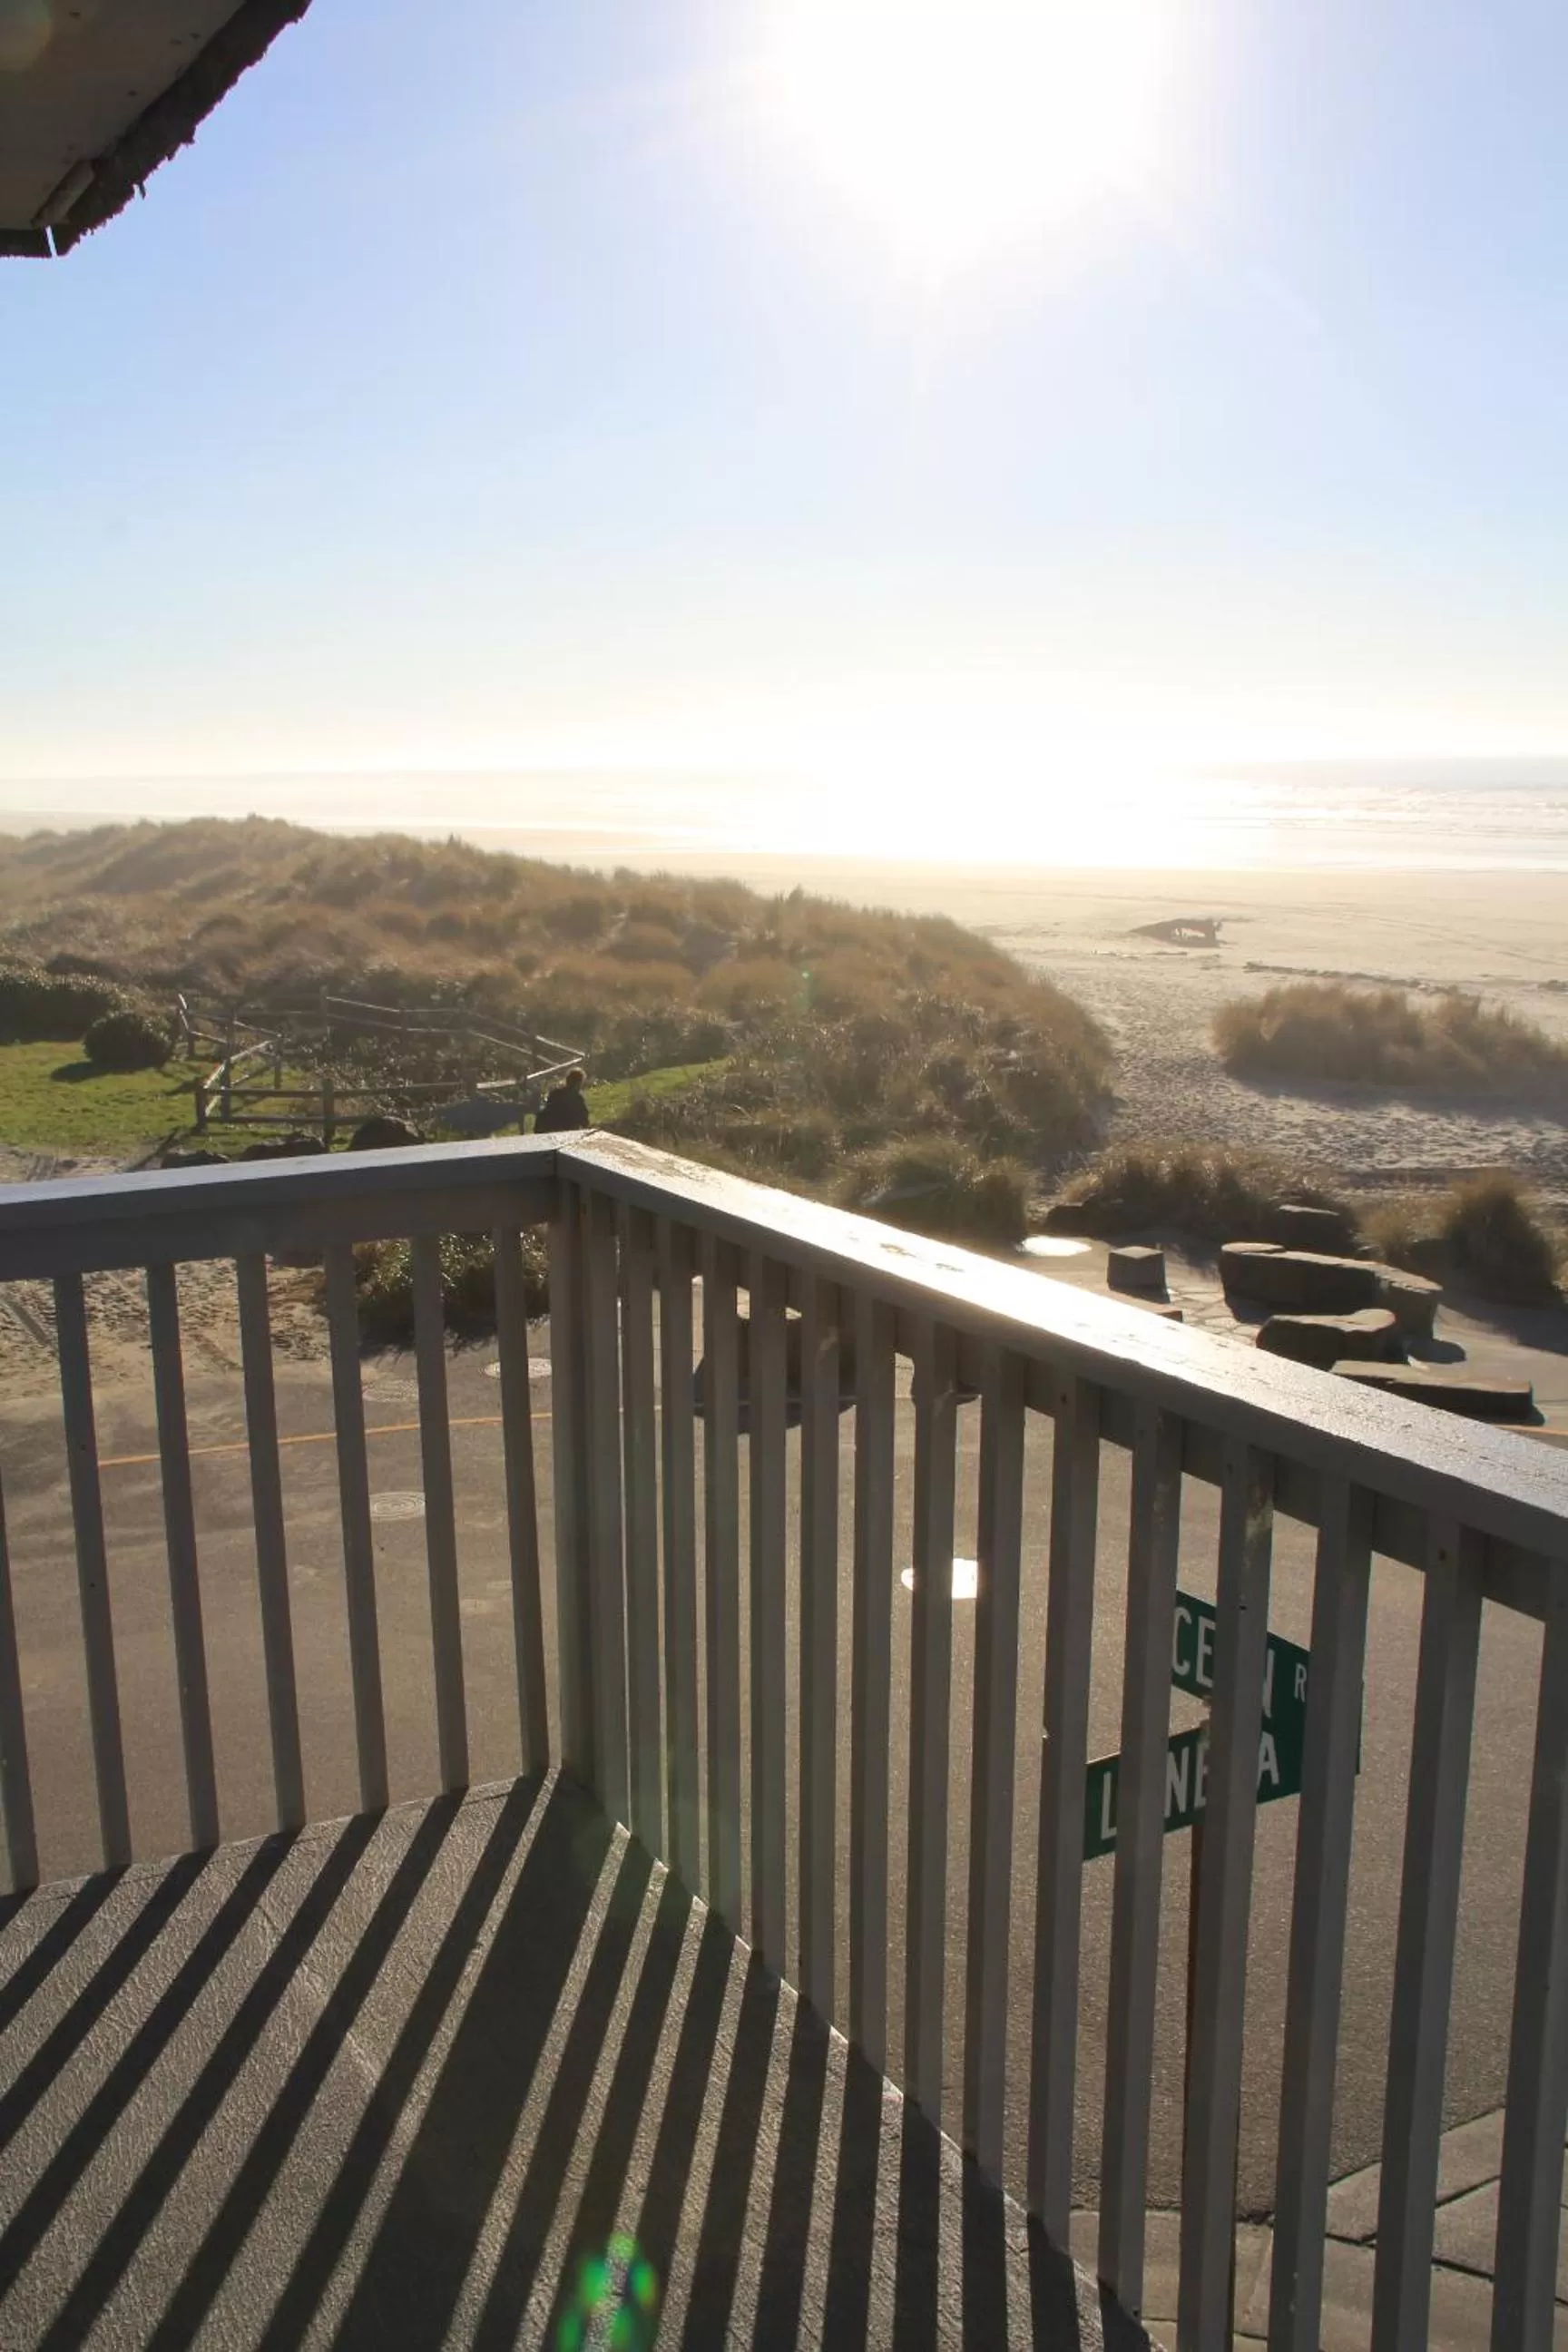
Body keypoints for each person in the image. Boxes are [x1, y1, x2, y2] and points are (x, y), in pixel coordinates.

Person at [533, 1066, 591, 1134]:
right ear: (578, 1083)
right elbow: (584, 1121)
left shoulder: (555, 1094)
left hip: (550, 1128)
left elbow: (547, 1111)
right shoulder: (578, 1099)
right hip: (567, 1131)